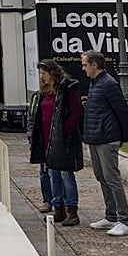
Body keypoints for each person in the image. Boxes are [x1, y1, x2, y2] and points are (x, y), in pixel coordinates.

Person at [80, 49, 128, 236]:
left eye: (85, 64)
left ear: (95, 65)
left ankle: (123, 220)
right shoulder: (95, 83)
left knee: (112, 178)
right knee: (101, 176)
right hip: (95, 137)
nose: (83, 68)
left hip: (107, 138)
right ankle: (110, 216)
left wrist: (121, 138)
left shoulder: (108, 84)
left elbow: (122, 111)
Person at [30, 59, 84, 226]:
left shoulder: (67, 88)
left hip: (63, 139)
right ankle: (58, 206)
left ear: (52, 74)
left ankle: (72, 210)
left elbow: (76, 113)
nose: (41, 77)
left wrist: (63, 132)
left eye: (44, 73)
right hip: (47, 140)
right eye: (40, 74)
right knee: (53, 174)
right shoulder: (43, 93)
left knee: (66, 174)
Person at [27, 77, 54, 215]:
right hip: (40, 140)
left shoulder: (57, 95)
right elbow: (31, 117)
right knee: (43, 172)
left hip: (54, 140)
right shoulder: (37, 96)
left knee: (55, 173)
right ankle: (47, 200)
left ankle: (60, 202)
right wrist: (31, 136)